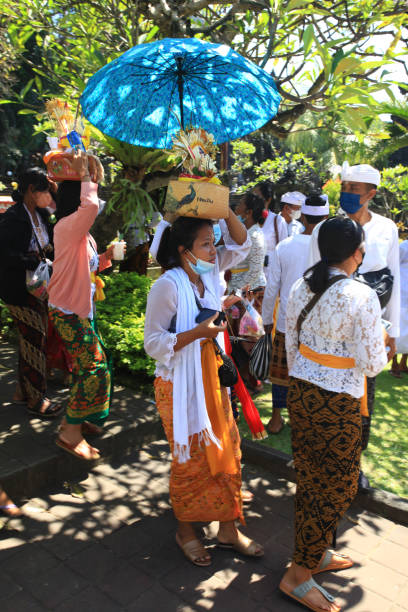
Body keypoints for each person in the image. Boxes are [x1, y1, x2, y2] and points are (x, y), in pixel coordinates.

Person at [144, 212, 264, 567]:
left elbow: (241, 244)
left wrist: (224, 209)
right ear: (184, 250)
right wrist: (198, 333)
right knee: (191, 460)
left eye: (214, 242)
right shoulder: (166, 285)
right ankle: (186, 531)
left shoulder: (211, 277)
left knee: (227, 450)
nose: (215, 250)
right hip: (178, 385)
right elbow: (152, 342)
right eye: (206, 244)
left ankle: (227, 528)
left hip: (212, 379)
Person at [280, 217, 387, 612]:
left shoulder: (300, 284)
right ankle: (298, 574)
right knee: (336, 487)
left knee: (311, 479)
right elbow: (373, 363)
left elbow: (292, 342)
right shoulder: (362, 296)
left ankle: (315, 553)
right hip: (337, 403)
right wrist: (386, 343)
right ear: (356, 253)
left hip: (304, 395)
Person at [308, 163, 399, 489]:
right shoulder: (326, 230)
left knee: (363, 403)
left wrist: (395, 334)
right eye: (343, 188)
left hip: (370, 333)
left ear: (370, 194)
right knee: (326, 399)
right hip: (329, 335)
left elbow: (394, 281)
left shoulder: (387, 228)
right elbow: (309, 280)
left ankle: (353, 465)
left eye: (353, 191)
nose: (345, 195)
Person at [48, 151, 114, 461]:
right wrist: (86, 173)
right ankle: (69, 432)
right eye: (89, 188)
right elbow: (91, 204)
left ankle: (77, 420)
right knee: (94, 369)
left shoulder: (80, 231)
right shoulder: (68, 226)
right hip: (67, 310)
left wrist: (107, 258)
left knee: (90, 368)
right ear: (78, 196)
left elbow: (85, 267)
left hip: (79, 309)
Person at [262, 194, 329, 434]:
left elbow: (272, 288)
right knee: (313, 372)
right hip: (319, 325)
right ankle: (306, 420)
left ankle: (277, 418)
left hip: (286, 322)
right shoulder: (329, 249)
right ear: (325, 218)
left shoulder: (285, 246)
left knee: (281, 373)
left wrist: (267, 319)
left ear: (303, 216)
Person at [0, 168, 63, 418]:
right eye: (44, 190)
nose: (47, 195)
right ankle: (37, 399)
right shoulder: (13, 218)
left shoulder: (43, 214)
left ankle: (21, 392)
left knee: (31, 339)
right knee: (36, 340)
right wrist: (33, 261)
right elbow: (6, 255)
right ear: (30, 191)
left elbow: (49, 245)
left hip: (39, 288)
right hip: (18, 290)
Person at [227, 192, 266, 293]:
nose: (237, 207)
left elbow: (255, 270)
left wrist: (236, 290)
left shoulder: (255, 236)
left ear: (248, 213)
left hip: (251, 291)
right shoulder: (245, 232)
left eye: (240, 204)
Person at [253, 181, 288, 269]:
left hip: (271, 272)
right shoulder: (247, 220)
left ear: (268, 200)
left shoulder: (278, 221)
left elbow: (284, 249)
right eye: (252, 196)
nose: (253, 200)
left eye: (257, 197)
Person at [390, 239, 408, 377]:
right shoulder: (404, 246)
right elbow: (394, 266)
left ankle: (404, 362)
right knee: (399, 327)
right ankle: (394, 363)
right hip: (402, 291)